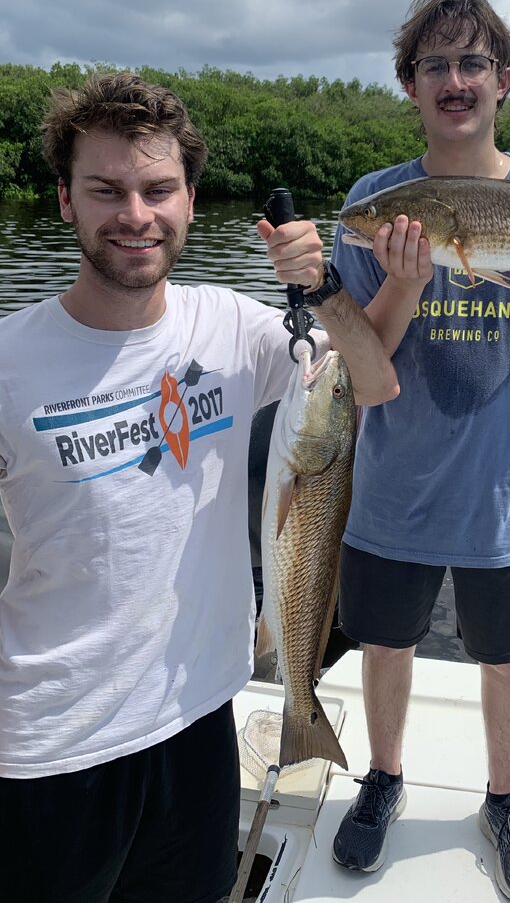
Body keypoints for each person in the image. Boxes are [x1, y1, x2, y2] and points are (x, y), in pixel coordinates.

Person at [0, 72, 398, 903]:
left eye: (158, 190)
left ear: (189, 200)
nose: (135, 214)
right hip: (52, 744)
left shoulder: (230, 326)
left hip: (199, 715)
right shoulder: (11, 362)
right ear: (65, 200)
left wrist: (325, 288)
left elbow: (372, 379)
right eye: (105, 190)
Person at [329, 0, 510, 901]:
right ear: (409, 85)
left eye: (472, 62)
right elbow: (363, 360)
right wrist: (404, 281)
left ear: (504, 79)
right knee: (384, 645)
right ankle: (384, 777)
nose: (454, 80)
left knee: (508, 658)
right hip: (393, 486)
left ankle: (504, 798)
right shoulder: (374, 202)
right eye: (435, 65)